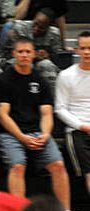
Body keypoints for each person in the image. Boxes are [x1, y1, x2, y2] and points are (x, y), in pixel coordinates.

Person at [0, 36, 82, 211]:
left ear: (34, 54)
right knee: (18, 165)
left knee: (58, 165)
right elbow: (3, 116)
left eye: (28, 51)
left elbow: (47, 113)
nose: (24, 55)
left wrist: (44, 134)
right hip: (11, 134)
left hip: (37, 132)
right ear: (14, 54)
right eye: (20, 51)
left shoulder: (40, 82)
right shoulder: (3, 80)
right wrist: (22, 137)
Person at [55, 31, 90, 198]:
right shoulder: (66, 75)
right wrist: (82, 126)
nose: (87, 52)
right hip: (77, 130)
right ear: (76, 50)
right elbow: (60, 108)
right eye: (83, 48)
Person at [4, 7, 62, 88]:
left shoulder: (54, 34)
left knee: (47, 65)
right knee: (26, 65)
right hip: (18, 60)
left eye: (41, 27)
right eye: (35, 24)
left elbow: (55, 56)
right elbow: (7, 52)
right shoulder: (20, 28)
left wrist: (47, 55)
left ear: (49, 27)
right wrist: (29, 55)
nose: (36, 28)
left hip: (39, 63)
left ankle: (49, 98)